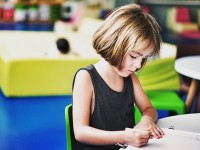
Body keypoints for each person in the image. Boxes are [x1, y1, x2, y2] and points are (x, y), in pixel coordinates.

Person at [72, 3, 164, 150]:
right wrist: (125, 137)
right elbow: (80, 132)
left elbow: (149, 109)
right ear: (114, 44)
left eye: (143, 59)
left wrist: (146, 120)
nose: (138, 65)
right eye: (134, 56)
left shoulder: (130, 76)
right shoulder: (86, 78)